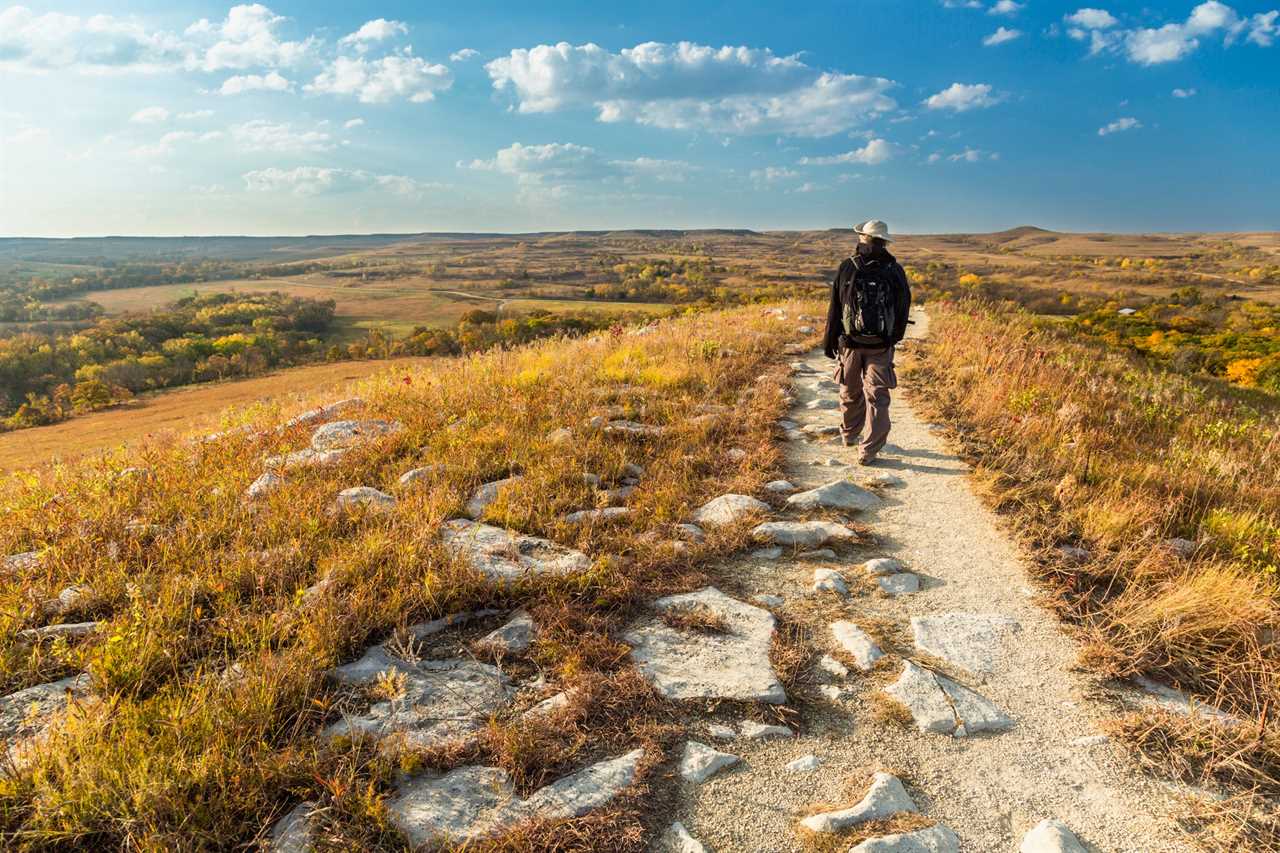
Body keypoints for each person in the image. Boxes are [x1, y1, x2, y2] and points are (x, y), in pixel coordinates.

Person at [822, 219, 912, 465]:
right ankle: (869, 450)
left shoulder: (847, 266)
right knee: (878, 397)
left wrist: (830, 341)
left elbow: (836, 307)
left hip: (850, 343)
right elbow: (903, 306)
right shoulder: (894, 269)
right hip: (881, 345)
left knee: (849, 391)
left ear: (862, 238)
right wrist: (893, 337)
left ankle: (849, 434)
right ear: (884, 241)